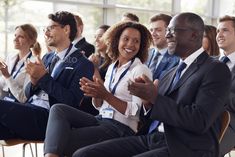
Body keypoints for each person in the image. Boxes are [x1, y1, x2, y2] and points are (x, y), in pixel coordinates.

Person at [72, 12, 231, 157]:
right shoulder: (171, 73)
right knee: (84, 154)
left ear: (194, 35)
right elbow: (153, 112)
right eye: (167, 30)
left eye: (172, 30)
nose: (167, 36)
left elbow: (199, 121)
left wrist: (154, 97)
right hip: (153, 138)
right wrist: (148, 103)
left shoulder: (215, 69)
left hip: (185, 147)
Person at [43, 21, 153, 157]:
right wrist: (95, 93)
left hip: (121, 128)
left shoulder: (140, 70)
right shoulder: (113, 67)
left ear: (141, 46)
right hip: (102, 120)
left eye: (136, 41)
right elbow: (100, 106)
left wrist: (106, 95)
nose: (130, 44)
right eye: (126, 39)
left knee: (59, 141)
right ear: (116, 40)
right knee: (58, 110)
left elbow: (136, 113)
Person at [0, 11, 94, 141]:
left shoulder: (83, 64)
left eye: (50, 28)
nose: (45, 33)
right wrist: (33, 81)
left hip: (50, 119)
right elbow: (27, 95)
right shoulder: (48, 57)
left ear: (66, 29)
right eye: (45, 29)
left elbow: (72, 102)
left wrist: (43, 78)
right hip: (30, 110)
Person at [0, 24, 40, 103]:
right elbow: (3, 85)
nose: (15, 39)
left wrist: (7, 76)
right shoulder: (10, 57)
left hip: (18, 106)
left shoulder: (34, 63)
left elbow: (23, 98)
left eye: (21, 37)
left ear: (31, 41)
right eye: (15, 35)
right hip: (4, 101)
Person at [216, 15, 235, 157]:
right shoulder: (210, 63)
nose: (219, 35)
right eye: (217, 31)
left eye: (225, 30)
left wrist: (215, 94)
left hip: (231, 122)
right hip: (201, 119)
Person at [145, 13, 179, 79]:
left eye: (158, 30)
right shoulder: (145, 54)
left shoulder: (178, 58)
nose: (153, 34)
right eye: (151, 30)